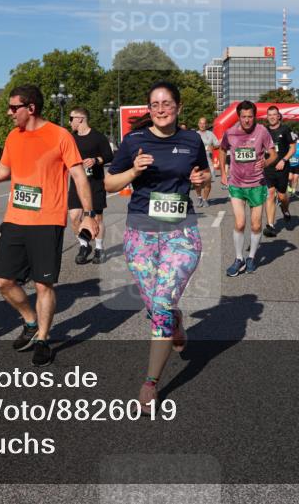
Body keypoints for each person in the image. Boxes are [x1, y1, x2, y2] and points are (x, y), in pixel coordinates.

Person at [0, 85, 97, 367]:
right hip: (15, 218)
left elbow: (78, 175)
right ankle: (30, 320)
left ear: (31, 108)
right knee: (2, 281)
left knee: (43, 284)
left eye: (14, 108)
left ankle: (43, 339)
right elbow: (2, 171)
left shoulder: (60, 136)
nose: (9, 112)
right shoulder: (14, 136)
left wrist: (88, 213)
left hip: (47, 220)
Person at [105, 82, 209, 410]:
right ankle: (175, 321)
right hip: (141, 233)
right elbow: (109, 183)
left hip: (181, 234)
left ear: (178, 106)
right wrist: (134, 170)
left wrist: (202, 182)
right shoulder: (133, 141)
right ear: (148, 109)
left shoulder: (192, 140)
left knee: (161, 305)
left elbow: (205, 183)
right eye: (154, 104)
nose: (161, 109)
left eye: (167, 103)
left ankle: (151, 382)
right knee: (155, 307)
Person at [219, 101, 277, 276]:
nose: (247, 120)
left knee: (256, 224)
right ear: (238, 117)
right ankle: (239, 259)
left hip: (256, 184)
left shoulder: (262, 131)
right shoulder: (230, 133)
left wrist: (266, 162)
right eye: (243, 117)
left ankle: (251, 256)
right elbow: (222, 150)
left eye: (250, 116)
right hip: (237, 184)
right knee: (239, 222)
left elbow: (273, 154)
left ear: (254, 116)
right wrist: (223, 172)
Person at [67, 107, 114, 264]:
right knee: (74, 216)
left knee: (96, 218)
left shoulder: (98, 137)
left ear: (80, 118)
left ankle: (99, 249)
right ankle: (84, 245)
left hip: (95, 182)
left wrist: (95, 160)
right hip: (76, 183)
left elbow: (109, 155)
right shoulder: (70, 138)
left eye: (71, 118)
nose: (69, 121)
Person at [262, 106, 295, 237]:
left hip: (282, 167)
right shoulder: (264, 130)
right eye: (269, 115)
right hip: (268, 168)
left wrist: (284, 160)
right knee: (270, 194)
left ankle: (285, 210)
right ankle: (270, 225)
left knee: (282, 196)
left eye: (274, 114)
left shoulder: (285, 129)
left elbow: (292, 148)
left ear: (278, 116)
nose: (272, 117)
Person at [195, 117, 220, 208]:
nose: (202, 125)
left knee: (208, 183)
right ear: (198, 124)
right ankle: (199, 197)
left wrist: (212, 148)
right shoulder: (195, 134)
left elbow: (217, 145)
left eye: (204, 123)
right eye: (201, 123)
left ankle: (205, 200)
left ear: (206, 124)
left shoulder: (211, 134)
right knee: (197, 183)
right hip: (197, 162)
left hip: (208, 162)